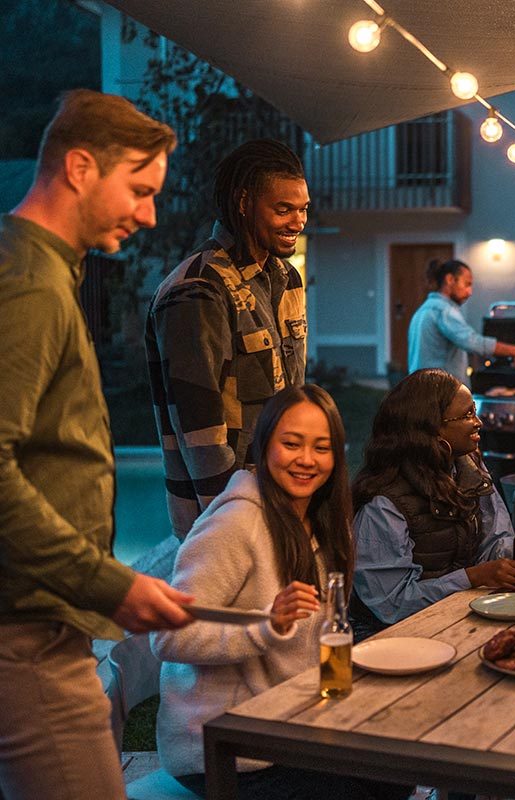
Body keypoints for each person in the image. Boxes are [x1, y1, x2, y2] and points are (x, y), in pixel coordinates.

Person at [0, 89, 193, 800]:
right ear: (80, 166)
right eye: (139, 189)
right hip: (31, 636)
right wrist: (109, 582)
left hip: (50, 622)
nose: (147, 212)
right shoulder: (29, 284)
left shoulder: (43, 269)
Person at [153, 385, 397, 799]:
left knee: (394, 774)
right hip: (225, 745)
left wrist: (343, 696)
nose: (306, 459)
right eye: (291, 443)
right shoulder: (236, 525)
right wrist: (267, 625)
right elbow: (169, 636)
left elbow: (327, 631)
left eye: (321, 447)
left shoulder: (320, 523)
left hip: (291, 726)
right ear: (265, 446)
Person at [146, 138, 311, 539]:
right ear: (243, 203)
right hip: (224, 518)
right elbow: (199, 430)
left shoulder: (286, 278)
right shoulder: (198, 289)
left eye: (303, 208)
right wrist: (229, 521)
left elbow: (292, 394)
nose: (298, 222)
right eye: (283, 209)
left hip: (280, 500)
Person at [350, 369, 515, 640]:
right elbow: (392, 604)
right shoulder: (383, 504)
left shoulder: (468, 470)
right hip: (388, 639)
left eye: (474, 411)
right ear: (430, 428)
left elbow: (495, 540)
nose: (478, 423)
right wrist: (473, 577)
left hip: (453, 621)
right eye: (465, 415)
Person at [407, 258, 515, 384]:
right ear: (450, 280)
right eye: (467, 284)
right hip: (440, 395)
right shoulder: (444, 311)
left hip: (422, 392)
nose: (470, 292)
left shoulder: (423, 310)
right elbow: (473, 342)